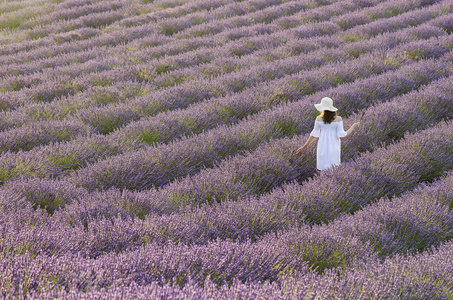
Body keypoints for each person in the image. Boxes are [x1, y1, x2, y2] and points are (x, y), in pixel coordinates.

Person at [296, 97, 360, 171]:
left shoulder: (318, 119)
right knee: (334, 171)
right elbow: (342, 136)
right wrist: (353, 127)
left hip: (322, 148)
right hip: (334, 149)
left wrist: (304, 147)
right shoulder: (338, 119)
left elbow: (313, 135)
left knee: (322, 171)